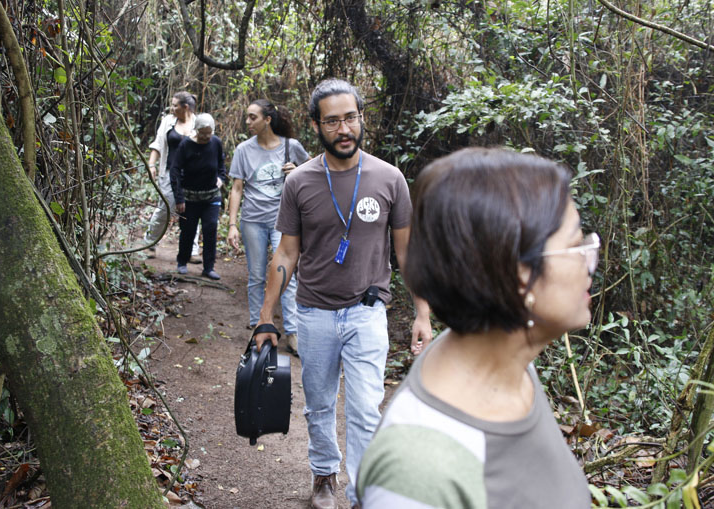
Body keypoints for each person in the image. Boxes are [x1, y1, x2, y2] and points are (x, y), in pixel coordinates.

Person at [356, 148, 595, 508]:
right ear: (519, 274)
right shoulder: (417, 476)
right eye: (576, 245)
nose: (590, 259)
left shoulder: (513, 363)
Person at [253, 79, 432, 509]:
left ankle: (362, 493)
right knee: (318, 404)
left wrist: (423, 314)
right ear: (316, 125)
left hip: (367, 311)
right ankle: (323, 478)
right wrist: (265, 317)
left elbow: (408, 254)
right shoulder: (300, 183)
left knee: (366, 408)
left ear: (361, 118)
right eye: (332, 121)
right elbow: (286, 252)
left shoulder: (389, 179)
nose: (343, 128)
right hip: (313, 312)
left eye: (350, 117)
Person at [226, 99, 310, 352]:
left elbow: (312, 172)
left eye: (253, 117)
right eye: (247, 117)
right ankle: (259, 326)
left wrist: (296, 170)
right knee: (256, 275)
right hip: (252, 219)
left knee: (286, 275)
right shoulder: (243, 150)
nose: (248, 122)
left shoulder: (290, 146)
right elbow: (237, 188)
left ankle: (293, 332)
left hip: (282, 220)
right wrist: (232, 224)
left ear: (268, 119)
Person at [143, 91, 201, 261]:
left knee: (192, 211)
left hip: (192, 176)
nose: (172, 108)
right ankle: (149, 243)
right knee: (165, 208)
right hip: (169, 173)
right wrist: (151, 164)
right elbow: (158, 143)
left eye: (175, 105)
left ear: (186, 107)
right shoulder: (168, 121)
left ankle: (192, 250)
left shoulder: (198, 123)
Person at [169, 113, 226, 280]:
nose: (206, 137)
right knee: (188, 230)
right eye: (203, 133)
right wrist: (179, 198)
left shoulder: (216, 143)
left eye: (209, 133)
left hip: (211, 196)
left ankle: (209, 267)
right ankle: (182, 261)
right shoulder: (186, 145)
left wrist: (221, 178)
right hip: (189, 197)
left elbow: (221, 162)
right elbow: (175, 170)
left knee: (210, 229)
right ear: (196, 131)